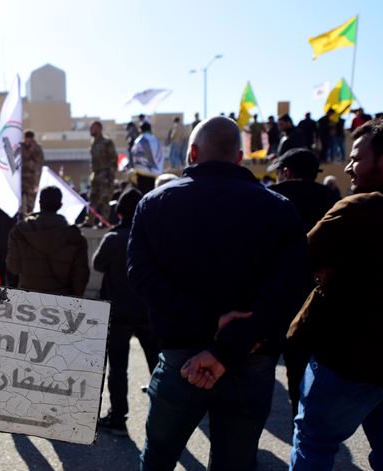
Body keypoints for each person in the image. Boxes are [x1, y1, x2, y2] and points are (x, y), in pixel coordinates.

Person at [127, 116, 309, 470]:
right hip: (251, 356)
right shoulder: (279, 209)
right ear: (239, 157)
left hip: (182, 358)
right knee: (235, 463)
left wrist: (208, 326)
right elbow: (290, 289)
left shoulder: (154, 203)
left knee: (158, 459)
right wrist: (227, 347)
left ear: (192, 152)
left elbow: (142, 278)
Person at [288, 119, 383, 470]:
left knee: (313, 441)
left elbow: (298, 259)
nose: (347, 167)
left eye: (356, 157)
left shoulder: (361, 208)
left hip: (348, 359)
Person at [267, 148, 339, 417]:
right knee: (313, 370)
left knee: (260, 372)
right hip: (320, 297)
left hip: (273, 298)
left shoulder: (270, 196)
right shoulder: (333, 199)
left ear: (286, 171)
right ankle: (306, 421)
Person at [93, 188, 159, 436]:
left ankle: (118, 417)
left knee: (118, 368)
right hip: (148, 310)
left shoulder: (113, 238)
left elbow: (97, 264)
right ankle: (164, 413)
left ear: (119, 211)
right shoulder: (151, 236)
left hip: (118, 312)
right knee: (157, 364)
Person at [6, 186, 89, 296]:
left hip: (28, 299)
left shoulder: (20, 232)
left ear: (40, 203)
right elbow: (80, 275)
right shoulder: (75, 236)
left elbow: (13, 268)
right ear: (60, 205)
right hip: (61, 300)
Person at [87, 121, 118, 224]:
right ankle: (89, 221)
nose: (91, 130)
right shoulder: (93, 142)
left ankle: (104, 221)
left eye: (94, 128)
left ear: (99, 129)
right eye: (91, 128)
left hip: (105, 174)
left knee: (104, 199)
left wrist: (110, 175)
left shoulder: (106, 142)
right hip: (95, 174)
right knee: (92, 198)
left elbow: (114, 159)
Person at [131, 122, 164, 194]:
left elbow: (135, 156)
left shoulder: (139, 140)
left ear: (140, 130)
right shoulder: (156, 140)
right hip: (155, 174)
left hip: (141, 174)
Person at [20, 130, 44, 215]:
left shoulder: (37, 149)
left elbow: (39, 164)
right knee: (19, 202)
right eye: (26, 139)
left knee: (30, 203)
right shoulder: (20, 147)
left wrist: (36, 182)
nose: (28, 141)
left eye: (29, 139)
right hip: (20, 179)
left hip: (31, 180)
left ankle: (29, 217)